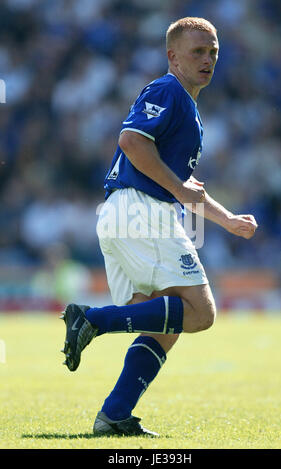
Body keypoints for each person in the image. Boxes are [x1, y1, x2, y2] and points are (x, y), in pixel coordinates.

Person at [60, 17, 258, 437]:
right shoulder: (168, 89)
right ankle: (91, 319)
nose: (208, 60)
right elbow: (131, 142)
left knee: (164, 324)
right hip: (141, 212)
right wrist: (181, 192)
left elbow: (186, 189)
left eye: (213, 52)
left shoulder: (187, 107)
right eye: (198, 52)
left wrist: (228, 222)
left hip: (124, 213)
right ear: (173, 56)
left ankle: (114, 414)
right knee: (200, 313)